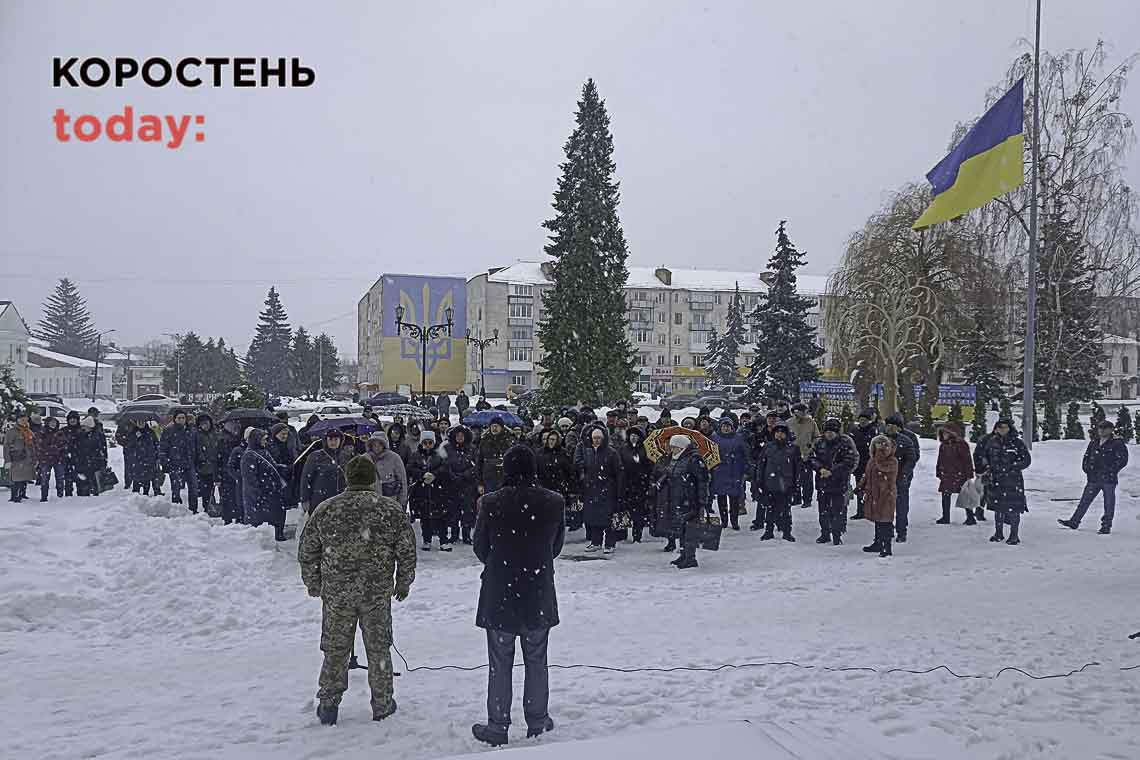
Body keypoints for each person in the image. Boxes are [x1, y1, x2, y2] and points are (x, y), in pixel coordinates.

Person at [299, 455, 416, 726]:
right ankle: (383, 704)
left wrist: (313, 582)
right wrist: (403, 582)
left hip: (338, 593)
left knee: (336, 649)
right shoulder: (389, 510)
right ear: (373, 478)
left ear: (347, 478)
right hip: (376, 593)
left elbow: (307, 550)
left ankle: (329, 704)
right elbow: (407, 551)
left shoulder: (327, 508)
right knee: (378, 649)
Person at [472, 444, 564, 747]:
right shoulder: (553, 502)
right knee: (537, 658)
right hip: (537, 589)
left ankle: (498, 725)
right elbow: (556, 546)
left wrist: (503, 564)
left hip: (501, 589)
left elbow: (480, 548)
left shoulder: (491, 502)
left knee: (500, 661)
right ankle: (537, 719)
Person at [1060, 419, 1128, 534]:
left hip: (1108, 479)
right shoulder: (1094, 442)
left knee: (1108, 503)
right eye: (1100, 428)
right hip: (1094, 478)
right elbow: (1087, 457)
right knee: (1085, 501)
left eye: (1104, 428)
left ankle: (1106, 526)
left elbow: (1122, 460)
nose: (1101, 431)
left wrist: (1111, 470)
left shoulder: (1117, 443)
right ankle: (1074, 521)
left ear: (1111, 430)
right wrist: (1087, 469)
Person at [657, 433, 710, 569]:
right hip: (677, 498)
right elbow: (670, 473)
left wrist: (702, 501)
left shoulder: (694, 459)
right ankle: (683, 554)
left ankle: (690, 557)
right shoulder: (676, 458)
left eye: (673, 447)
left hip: (690, 499)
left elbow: (703, 481)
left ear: (680, 447)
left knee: (690, 529)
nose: (671, 449)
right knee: (681, 528)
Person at [974, 419, 1031, 545]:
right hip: (996, 479)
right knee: (998, 507)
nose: (1002, 429)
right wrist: (987, 468)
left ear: (1010, 428)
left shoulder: (1017, 443)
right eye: (999, 427)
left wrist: (1013, 467)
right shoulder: (992, 442)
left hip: (1013, 480)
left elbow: (1026, 460)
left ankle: (1014, 535)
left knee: (1014, 508)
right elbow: (985, 457)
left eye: (1005, 427)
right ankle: (998, 533)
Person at [809, 419, 858, 545]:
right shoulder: (819, 443)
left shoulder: (845, 443)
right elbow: (812, 458)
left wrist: (832, 471)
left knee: (838, 510)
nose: (829, 434)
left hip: (839, 482)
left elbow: (849, 461)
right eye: (827, 431)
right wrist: (820, 469)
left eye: (832, 431)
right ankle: (825, 533)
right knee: (823, 510)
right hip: (822, 482)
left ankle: (837, 535)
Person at [576, 424, 623, 554]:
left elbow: (618, 473)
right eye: (594, 438)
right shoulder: (589, 452)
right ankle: (595, 542)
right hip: (592, 489)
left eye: (599, 438)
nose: (596, 440)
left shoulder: (611, 453)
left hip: (608, 490)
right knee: (594, 517)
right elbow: (585, 469)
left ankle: (609, 543)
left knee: (608, 518)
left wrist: (618, 491)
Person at [299, 429, 353, 536]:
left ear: (341, 440)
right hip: (320, 499)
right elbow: (306, 479)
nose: (333, 442)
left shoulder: (345, 456)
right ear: (325, 440)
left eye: (336, 439)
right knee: (320, 530)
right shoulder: (315, 456)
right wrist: (305, 499)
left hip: (341, 500)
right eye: (330, 439)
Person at [752, 422, 799, 539]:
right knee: (770, 509)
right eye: (777, 432)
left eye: (782, 432)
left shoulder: (793, 448)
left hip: (787, 484)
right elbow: (761, 465)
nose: (779, 434)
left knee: (786, 510)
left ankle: (787, 532)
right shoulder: (768, 447)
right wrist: (759, 481)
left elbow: (797, 468)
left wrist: (796, 484)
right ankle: (769, 531)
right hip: (770, 483)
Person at [241, 427, 289, 541]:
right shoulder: (249, 455)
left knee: (275, 516)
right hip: (261, 496)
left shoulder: (264, 451)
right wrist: (258, 496)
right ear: (256, 439)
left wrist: (283, 468)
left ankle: (276, 536)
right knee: (260, 524)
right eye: (263, 439)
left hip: (271, 492)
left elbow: (273, 467)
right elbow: (250, 480)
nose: (265, 442)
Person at [406, 431, 448, 551]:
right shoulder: (416, 455)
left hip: (437, 490)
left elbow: (445, 467)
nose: (428, 445)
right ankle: (427, 540)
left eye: (430, 442)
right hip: (422, 490)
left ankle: (443, 540)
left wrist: (434, 475)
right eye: (425, 442)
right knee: (425, 517)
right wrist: (422, 475)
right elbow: (410, 468)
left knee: (440, 516)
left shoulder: (439, 454)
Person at [860, 435, 898, 558]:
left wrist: (879, 454)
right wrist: (860, 486)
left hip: (886, 494)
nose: (879, 447)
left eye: (882, 445)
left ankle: (887, 547)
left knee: (885, 520)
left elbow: (883, 467)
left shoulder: (892, 461)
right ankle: (878, 543)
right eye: (877, 445)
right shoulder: (872, 460)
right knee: (877, 519)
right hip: (873, 493)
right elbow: (867, 474)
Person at [883, 414, 918, 543]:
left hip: (901, 478)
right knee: (886, 505)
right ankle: (887, 529)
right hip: (885, 478)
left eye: (893, 425)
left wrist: (903, 473)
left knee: (901, 505)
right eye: (888, 425)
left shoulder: (908, 438)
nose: (890, 428)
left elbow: (913, 457)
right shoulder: (881, 438)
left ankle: (901, 530)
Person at [711, 416, 749, 531]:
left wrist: (745, 467)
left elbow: (746, 453)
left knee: (734, 499)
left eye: (728, 426)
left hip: (735, 471)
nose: (726, 428)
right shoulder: (714, 438)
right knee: (721, 498)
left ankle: (734, 521)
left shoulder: (739, 438)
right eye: (724, 426)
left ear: (732, 427)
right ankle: (724, 521)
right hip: (720, 472)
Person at [444, 425, 479, 544]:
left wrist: (464, 475)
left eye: (461, 435)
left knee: (467, 511)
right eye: (457, 435)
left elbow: (475, 466)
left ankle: (466, 534)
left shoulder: (472, 449)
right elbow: (445, 464)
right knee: (454, 510)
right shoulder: (448, 448)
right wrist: (452, 475)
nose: (459, 437)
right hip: (452, 483)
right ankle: (454, 534)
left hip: (467, 484)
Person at [619, 427, 654, 542]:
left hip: (640, 484)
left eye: (636, 435)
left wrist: (642, 471)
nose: (633, 437)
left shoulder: (645, 449)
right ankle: (622, 533)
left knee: (638, 511)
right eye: (631, 435)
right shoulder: (623, 449)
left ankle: (637, 535)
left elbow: (649, 466)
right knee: (625, 509)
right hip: (626, 484)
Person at [935, 423, 974, 525]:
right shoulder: (943, 445)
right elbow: (940, 460)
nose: (944, 434)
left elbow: (967, 461)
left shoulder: (961, 444)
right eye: (943, 432)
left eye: (946, 432)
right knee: (945, 495)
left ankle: (970, 517)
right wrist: (939, 471)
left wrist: (969, 475)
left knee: (965, 496)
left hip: (960, 474)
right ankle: (945, 517)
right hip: (947, 474)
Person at [160, 411, 197, 506]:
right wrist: (164, 462)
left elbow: (195, 446)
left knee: (193, 487)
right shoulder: (169, 430)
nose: (181, 420)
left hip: (189, 463)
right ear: (175, 419)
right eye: (179, 418)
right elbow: (163, 447)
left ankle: (193, 508)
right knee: (176, 487)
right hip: (175, 463)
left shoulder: (191, 430)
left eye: (183, 418)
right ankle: (176, 506)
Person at [365, 432, 409, 510]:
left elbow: (402, 481)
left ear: (384, 445)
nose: (377, 447)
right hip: (370, 503)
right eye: (374, 445)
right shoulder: (364, 459)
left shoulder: (394, 458)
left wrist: (402, 502)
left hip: (391, 503)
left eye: (380, 445)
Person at [849, 409, 878, 520]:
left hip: (871, 464)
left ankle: (871, 510)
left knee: (871, 488)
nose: (862, 422)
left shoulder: (873, 431)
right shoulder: (854, 431)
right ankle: (860, 511)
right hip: (859, 464)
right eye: (861, 420)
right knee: (859, 488)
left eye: (865, 420)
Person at [789, 404, 819, 508]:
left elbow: (817, 437)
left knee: (807, 478)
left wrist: (812, 446)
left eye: (804, 412)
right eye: (800, 411)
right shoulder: (789, 422)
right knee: (794, 477)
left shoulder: (811, 422)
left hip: (807, 454)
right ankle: (796, 498)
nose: (803, 414)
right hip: (793, 454)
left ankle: (807, 499)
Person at [192, 413, 221, 515]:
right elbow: (195, 450)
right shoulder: (197, 435)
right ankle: (207, 507)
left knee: (218, 489)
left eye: (207, 423)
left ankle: (217, 507)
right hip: (203, 467)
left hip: (216, 465)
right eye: (203, 423)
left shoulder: (215, 434)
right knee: (206, 489)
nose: (205, 425)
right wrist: (200, 460)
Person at [478, 416, 514, 495]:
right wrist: (480, 483)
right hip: (488, 478)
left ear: (501, 427)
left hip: (505, 478)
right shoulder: (484, 441)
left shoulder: (509, 440)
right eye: (492, 426)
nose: (494, 428)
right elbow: (479, 463)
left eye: (497, 426)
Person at [4, 412, 36, 502]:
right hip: (16, 458)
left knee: (25, 477)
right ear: (17, 420)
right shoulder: (12, 432)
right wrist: (8, 459)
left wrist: (33, 456)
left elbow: (32, 445)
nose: (24, 421)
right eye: (22, 420)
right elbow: (6, 446)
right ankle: (15, 496)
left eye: (25, 420)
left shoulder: (29, 431)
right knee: (16, 478)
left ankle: (23, 494)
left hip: (27, 458)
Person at [34, 416, 67, 502]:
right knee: (44, 478)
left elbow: (64, 445)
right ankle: (44, 496)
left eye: (54, 423)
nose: (53, 424)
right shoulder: (42, 432)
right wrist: (53, 449)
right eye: (51, 422)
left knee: (60, 478)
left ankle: (60, 495)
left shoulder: (60, 433)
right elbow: (40, 445)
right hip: (46, 459)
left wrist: (58, 450)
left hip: (58, 459)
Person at [268, 422, 300, 511]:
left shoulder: (290, 445)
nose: (285, 436)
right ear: (275, 434)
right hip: (279, 477)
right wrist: (281, 467)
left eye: (286, 434)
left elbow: (295, 456)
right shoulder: (270, 446)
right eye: (282, 434)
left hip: (290, 475)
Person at [218, 421, 245, 524]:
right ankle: (227, 518)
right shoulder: (222, 441)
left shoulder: (239, 441)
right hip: (226, 474)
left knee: (237, 498)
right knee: (227, 498)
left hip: (236, 473)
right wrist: (217, 477)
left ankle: (237, 517)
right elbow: (216, 459)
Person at [73, 415, 106, 496]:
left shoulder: (97, 435)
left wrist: (103, 461)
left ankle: (94, 495)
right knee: (83, 482)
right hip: (83, 461)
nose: (83, 428)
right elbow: (77, 448)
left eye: (85, 426)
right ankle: (84, 495)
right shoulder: (80, 435)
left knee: (94, 481)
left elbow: (101, 449)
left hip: (94, 462)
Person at [128, 420, 161, 496]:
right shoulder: (133, 432)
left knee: (148, 477)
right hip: (137, 459)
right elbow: (130, 446)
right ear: (136, 423)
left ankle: (146, 494)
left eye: (142, 421)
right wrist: (136, 437)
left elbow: (156, 444)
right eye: (139, 421)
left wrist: (157, 455)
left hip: (150, 459)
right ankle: (136, 496)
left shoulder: (150, 432)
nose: (141, 423)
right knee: (137, 478)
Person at [115, 419, 137, 490]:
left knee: (139, 466)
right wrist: (126, 444)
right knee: (128, 466)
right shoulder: (123, 424)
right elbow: (118, 436)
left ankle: (138, 482)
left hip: (139, 448)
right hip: (128, 449)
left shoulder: (140, 421)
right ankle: (128, 483)